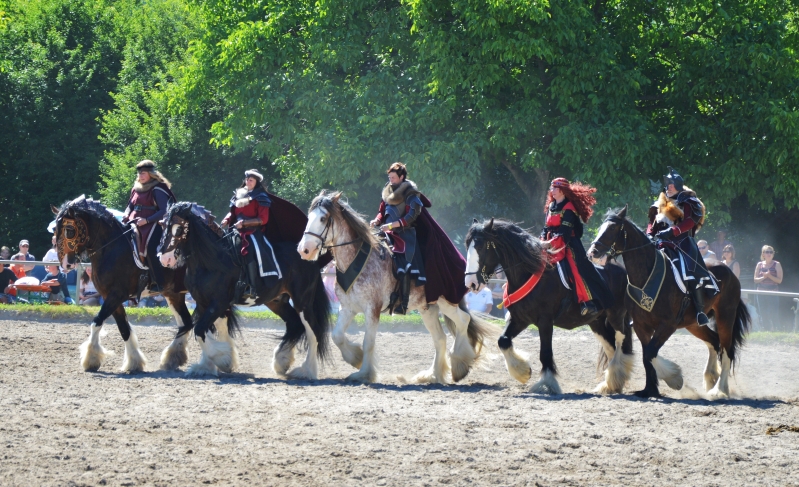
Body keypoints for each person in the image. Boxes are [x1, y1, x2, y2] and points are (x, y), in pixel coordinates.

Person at [646, 167, 716, 326]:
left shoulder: (689, 201)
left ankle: (700, 312)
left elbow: (690, 221)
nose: (669, 186)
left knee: (689, 274)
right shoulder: (661, 202)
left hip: (682, 244)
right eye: (667, 183)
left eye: (672, 183)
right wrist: (650, 234)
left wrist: (673, 231)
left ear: (678, 185)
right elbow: (652, 223)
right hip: (660, 243)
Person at [540, 178, 614, 315]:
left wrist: (550, 243)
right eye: (551, 188)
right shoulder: (551, 206)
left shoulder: (569, 208)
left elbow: (565, 233)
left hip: (569, 244)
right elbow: (546, 227)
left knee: (574, 267)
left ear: (562, 191)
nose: (551, 191)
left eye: (554, 188)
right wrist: (541, 240)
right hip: (550, 242)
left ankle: (586, 302)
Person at [370, 163, 428, 314]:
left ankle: (403, 303)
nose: (391, 180)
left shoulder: (411, 194)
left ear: (402, 177)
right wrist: (376, 220)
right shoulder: (387, 191)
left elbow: (411, 216)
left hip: (404, 236)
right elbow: (382, 211)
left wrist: (392, 225)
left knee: (404, 267)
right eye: (389, 177)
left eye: (393, 177)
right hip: (387, 233)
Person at [220, 169, 278, 299]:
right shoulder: (238, 195)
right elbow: (232, 212)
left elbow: (263, 219)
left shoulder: (261, 197)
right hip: (235, 230)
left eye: (251, 180)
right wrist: (226, 219)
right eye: (247, 179)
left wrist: (244, 223)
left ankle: (252, 287)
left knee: (248, 249)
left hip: (252, 232)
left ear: (256, 182)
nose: (248, 181)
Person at [122, 160, 176, 292]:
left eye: (144, 173)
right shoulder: (135, 188)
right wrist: (126, 214)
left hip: (153, 224)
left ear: (151, 174)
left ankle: (158, 282)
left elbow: (164, 210)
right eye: (139, 173)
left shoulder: (158, 188)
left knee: (151, 248)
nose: (140, 175)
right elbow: (130, 206)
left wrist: (146, 220)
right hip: (134, 223)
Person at [754, 245, 783, 331]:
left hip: (773, 291)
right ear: (763, 254)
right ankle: (766, 330)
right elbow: (755, 280)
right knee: (762, 312)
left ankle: (777, 329)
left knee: (773, 312)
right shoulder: (759, 264)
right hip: (761, 291)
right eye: (767, 252)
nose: (769, 254)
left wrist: (769, 275)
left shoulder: (777, 264)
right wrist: (764, 277)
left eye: (771, 252)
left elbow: (779, 280)